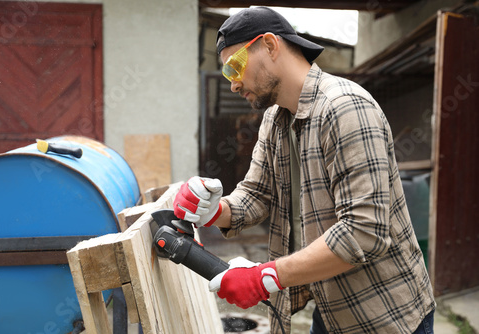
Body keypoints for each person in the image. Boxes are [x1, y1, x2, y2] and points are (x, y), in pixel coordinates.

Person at [174, 6, 435, 334]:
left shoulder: (346, 108)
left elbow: (363, 232)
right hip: (328, 306)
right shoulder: (275, 119)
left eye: (235, 67)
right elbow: (256, 195)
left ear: (270, 45)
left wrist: (263, 277)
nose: (233, 84)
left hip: (384, 314)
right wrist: (215, 210)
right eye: (227, 74)